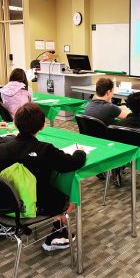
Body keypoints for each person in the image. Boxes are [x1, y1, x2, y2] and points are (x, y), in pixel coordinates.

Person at [0, 102, 86, 251]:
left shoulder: (3, 147)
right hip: (36, 204)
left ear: (14, 122)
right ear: (43, 126)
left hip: (5, 204)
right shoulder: (45, 149)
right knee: (68, 196)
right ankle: (59, 234)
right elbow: (72, 164)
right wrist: (80, 152)